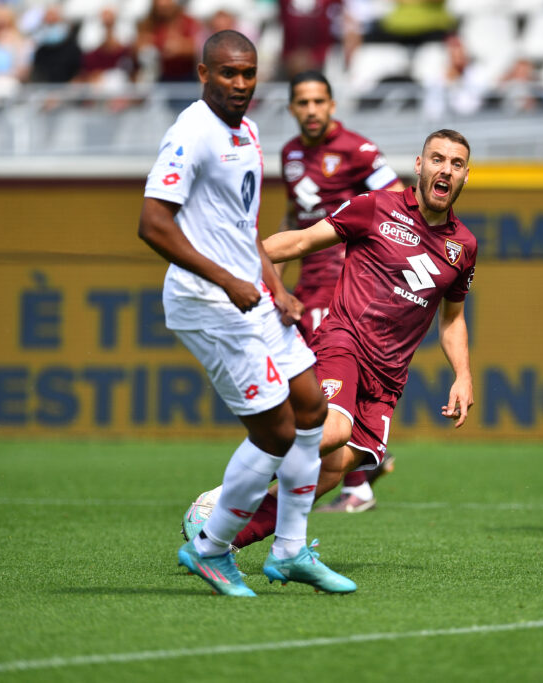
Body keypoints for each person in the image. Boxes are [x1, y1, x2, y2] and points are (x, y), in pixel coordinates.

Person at [183, 128, 478, 557]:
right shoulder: (375, 207)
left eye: (455, 163)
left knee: (331, 471)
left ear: (466, 175)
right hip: (344, 343)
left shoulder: (463, 246)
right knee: (332, 431)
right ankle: (226, 494)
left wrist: (463, 375)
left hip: (388, 377)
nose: (445, 169)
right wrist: (232, 265)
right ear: (419, 165)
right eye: (437, 159)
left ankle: (218, 544)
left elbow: (452, 319)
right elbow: (301, 240)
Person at [138, 30, 355, 597]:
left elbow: (242, 228)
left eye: (248, 73)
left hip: (252, 296)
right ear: (204, 74)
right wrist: (230, 279)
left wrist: (275, 285)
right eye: (228, 73)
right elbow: (153, 224)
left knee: (311, 408)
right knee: (276, 430)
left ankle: (290, 553)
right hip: (206, 302)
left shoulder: (250, 130)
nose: (240, 83)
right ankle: (211, 548)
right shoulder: (192, 132)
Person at [252, 69, 404, 516]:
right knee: (305, 382)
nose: (312, 110)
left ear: (332, 105)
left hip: (344, 287)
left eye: (320, 101)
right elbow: (293, 223)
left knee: (319, 383)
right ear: (292, 108)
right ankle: (360, 463)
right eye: (303, 102)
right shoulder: (291, 152)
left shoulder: (358, 150)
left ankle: (356, 483)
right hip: (307, 283)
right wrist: (270, 277)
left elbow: (397, 207)